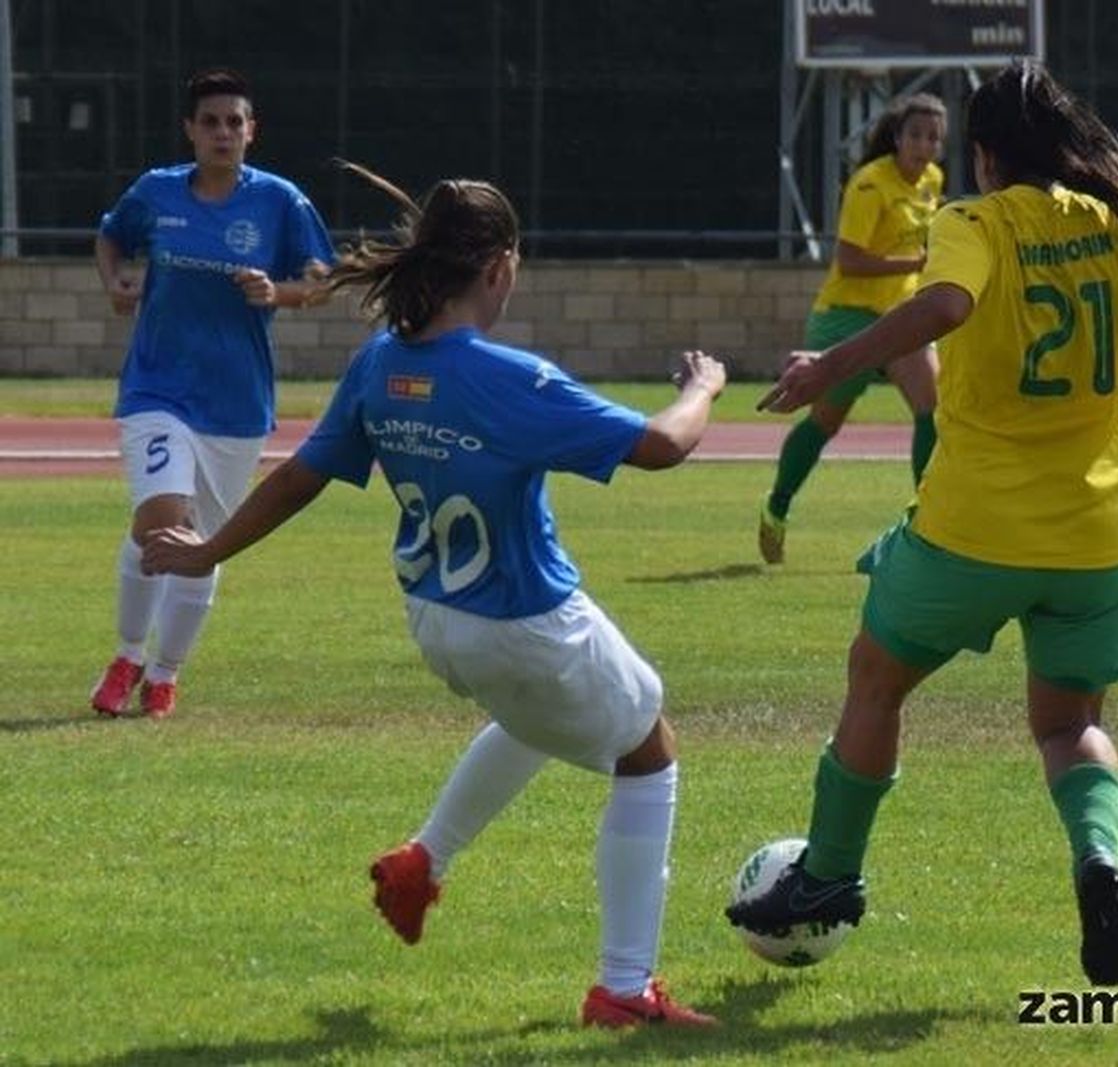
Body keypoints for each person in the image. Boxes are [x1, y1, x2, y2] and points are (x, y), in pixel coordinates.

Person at [727, 60, 1118, 988]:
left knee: (876, 680)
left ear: (983, 156)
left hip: (972, 534)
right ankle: (1098, 860)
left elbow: (944, 306)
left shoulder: (973, 221)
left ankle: (826, 879)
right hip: (1102, 538)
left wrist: (831, 362)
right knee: (1068, 724)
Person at [142, 166, 725, 1028]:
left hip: (438, 623)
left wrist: (211, 549)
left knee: (534, 718)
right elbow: (660, 446)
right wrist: (703, 385)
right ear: (498, 269)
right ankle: (624, 988)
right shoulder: (507, 378)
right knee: (651, 755)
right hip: (528, 621)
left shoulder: (381, 364)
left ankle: (422, 861)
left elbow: (304, 474)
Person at [89, 68, 335, 719]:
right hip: (157, 387)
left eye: (234, 121)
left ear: (251, 131)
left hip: (236, 402)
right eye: (210, 122)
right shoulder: (158, 192)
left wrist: (277, 291)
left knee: (203, 544)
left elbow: (320, 278)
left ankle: (165, 673)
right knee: (160, 519)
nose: (222, 132)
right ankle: (126, 653)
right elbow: (112, 236)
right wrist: (116, 282)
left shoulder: (281, 201)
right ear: (190, 131)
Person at [758, 92, 947, 564]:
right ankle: (776, 505)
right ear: (897, 138)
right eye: (916, 135)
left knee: (934, 408)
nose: (924, 145)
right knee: (827, 419)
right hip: (848, 313)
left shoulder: (932, 180)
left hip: (901, 313)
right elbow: (850, 260)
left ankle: (929, 524)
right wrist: (920, 262)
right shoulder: (869, 185)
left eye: (934, 137)